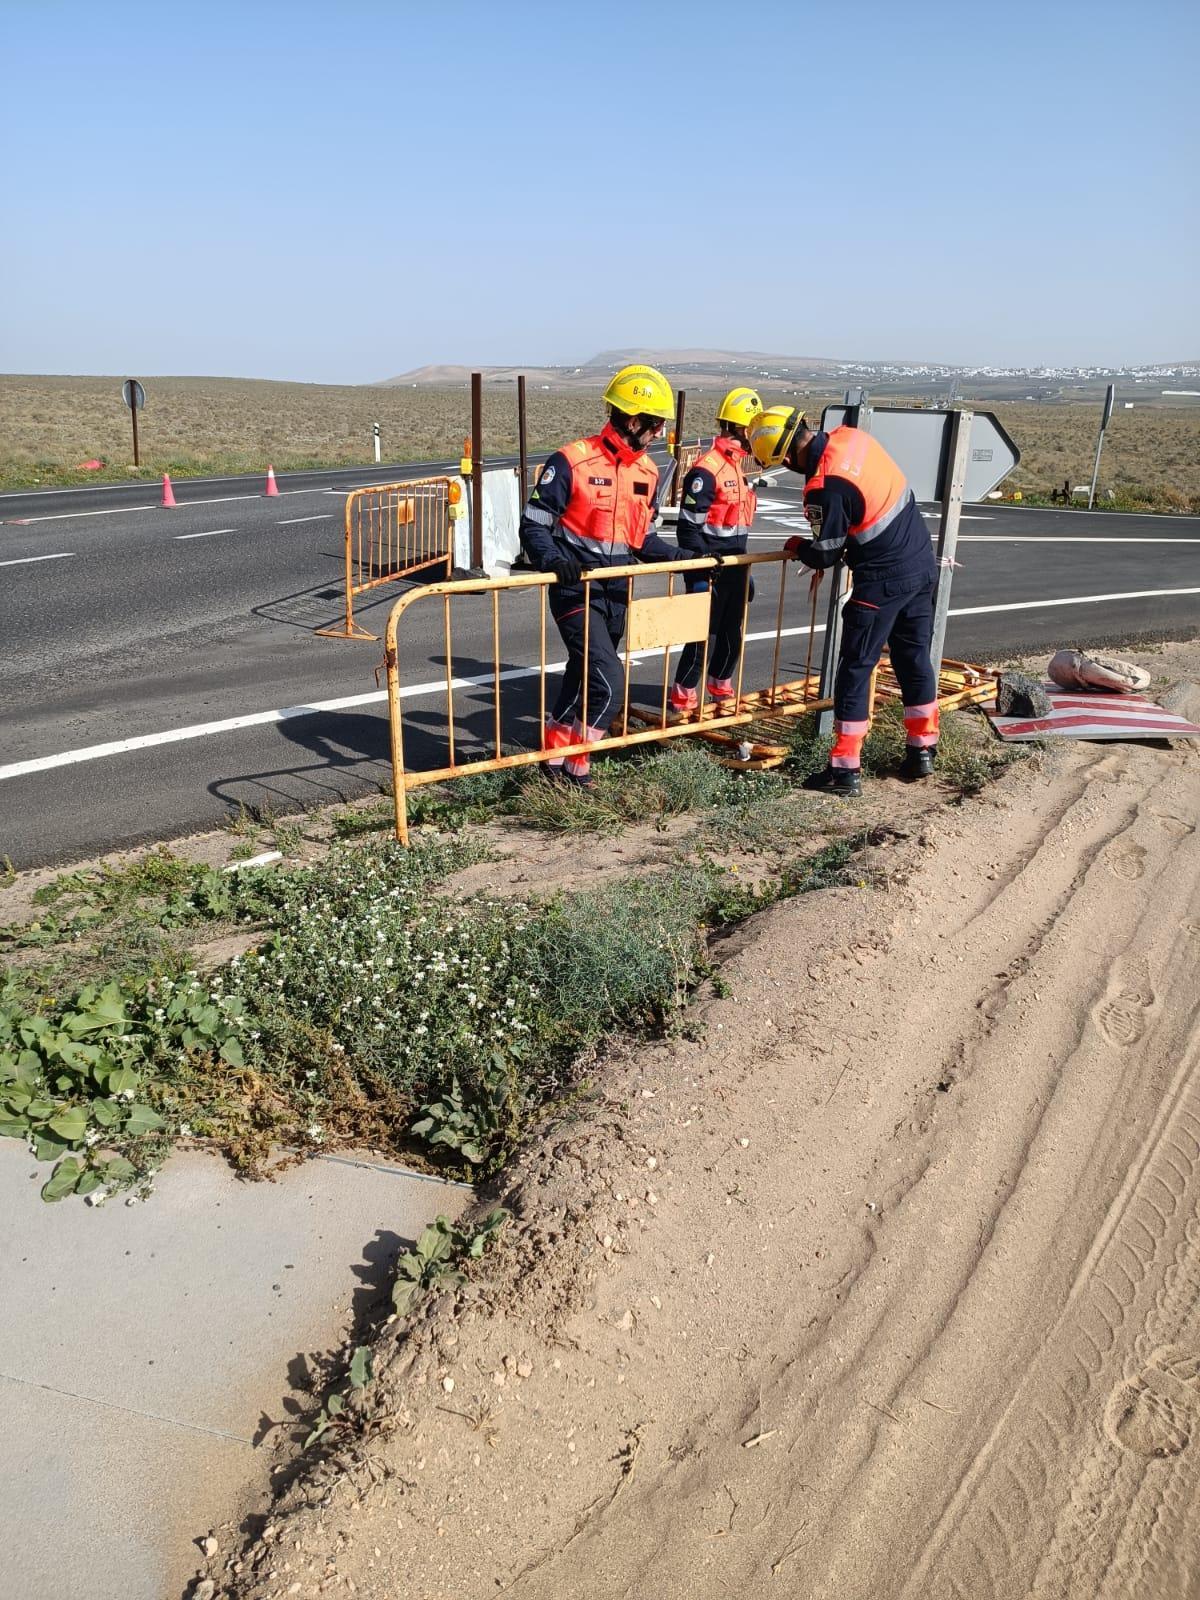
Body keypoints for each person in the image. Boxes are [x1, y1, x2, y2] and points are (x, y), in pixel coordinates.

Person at [748, 406, 939, 797]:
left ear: (786, 457)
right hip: (921, 564)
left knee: (855, 667)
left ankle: (844, 770)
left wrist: (798, 545)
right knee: (914, 659)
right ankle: (922, 750)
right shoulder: (852, 438)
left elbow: (825, 553)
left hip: (882, 582)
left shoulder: (824, 486)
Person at [518, 364, 679, 786]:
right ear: (632, 419)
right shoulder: (571, 460)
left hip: (617, 595)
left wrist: (688, 556)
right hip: (576, 592)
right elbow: (533, 525)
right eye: (656, 424)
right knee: (609, 687)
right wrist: (555, 561)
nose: (659, 433)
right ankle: (578, 769)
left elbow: (643, 540)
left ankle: (552, 758)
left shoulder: (648, 472)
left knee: (581, 673)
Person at [669, 387, 762, 713]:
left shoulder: (737, 467)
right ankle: (682, 699)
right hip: (708, 569)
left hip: (736, 567)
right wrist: (701, 569)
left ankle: (720, 690)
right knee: (701, 636)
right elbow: (687, 529)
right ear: (740, 429)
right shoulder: (707, 470)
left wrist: (743, 571)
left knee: (730, 635)